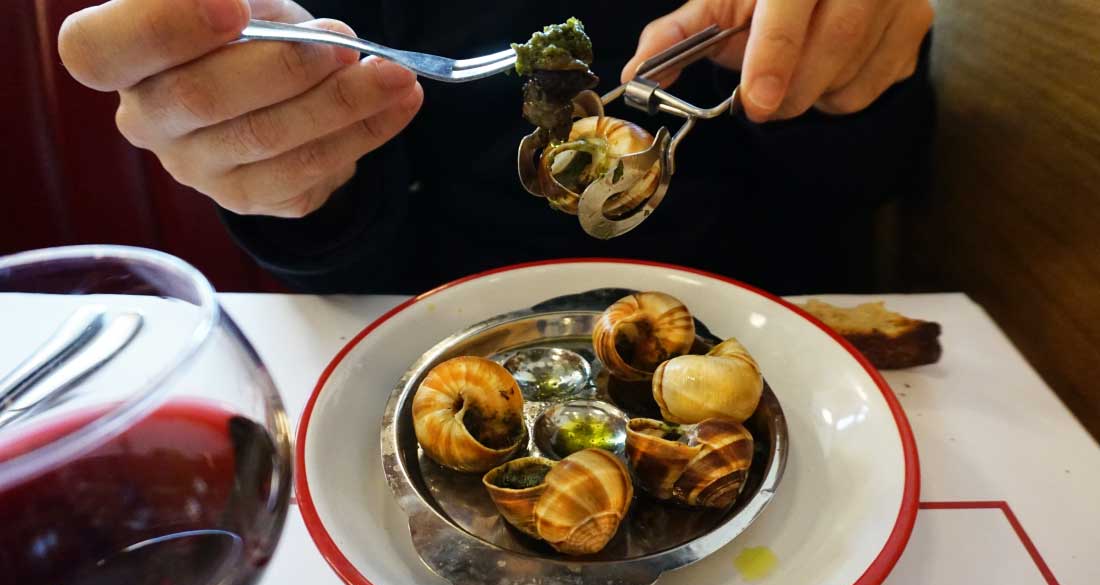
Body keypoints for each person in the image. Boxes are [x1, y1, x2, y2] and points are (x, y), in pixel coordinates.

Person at [57, 0, 935, 295]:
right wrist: (297, 176)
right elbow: (343, 258)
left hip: (765, 317)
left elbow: (874, 178)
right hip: (431, 338)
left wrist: (854, 73)